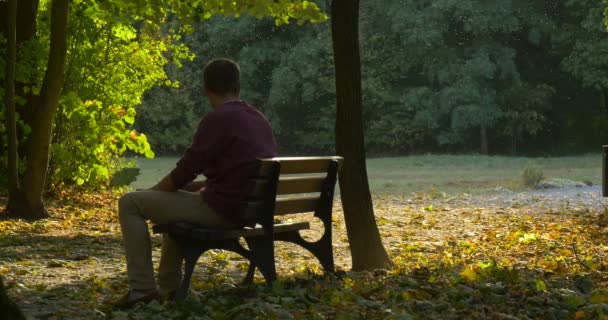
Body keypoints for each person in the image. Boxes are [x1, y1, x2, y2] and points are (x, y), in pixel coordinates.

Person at [112, 58, 277, 308]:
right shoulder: (258, 118)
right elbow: (235, 173)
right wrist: (182, 190)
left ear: (206, 88)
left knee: (129, 203)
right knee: (173, 202)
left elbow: (183, 172)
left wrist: (153, 193)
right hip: (247, 209)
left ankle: (141, 290)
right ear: (238, 85)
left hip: (222, 210)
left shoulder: (218, 119)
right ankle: (170, 287)